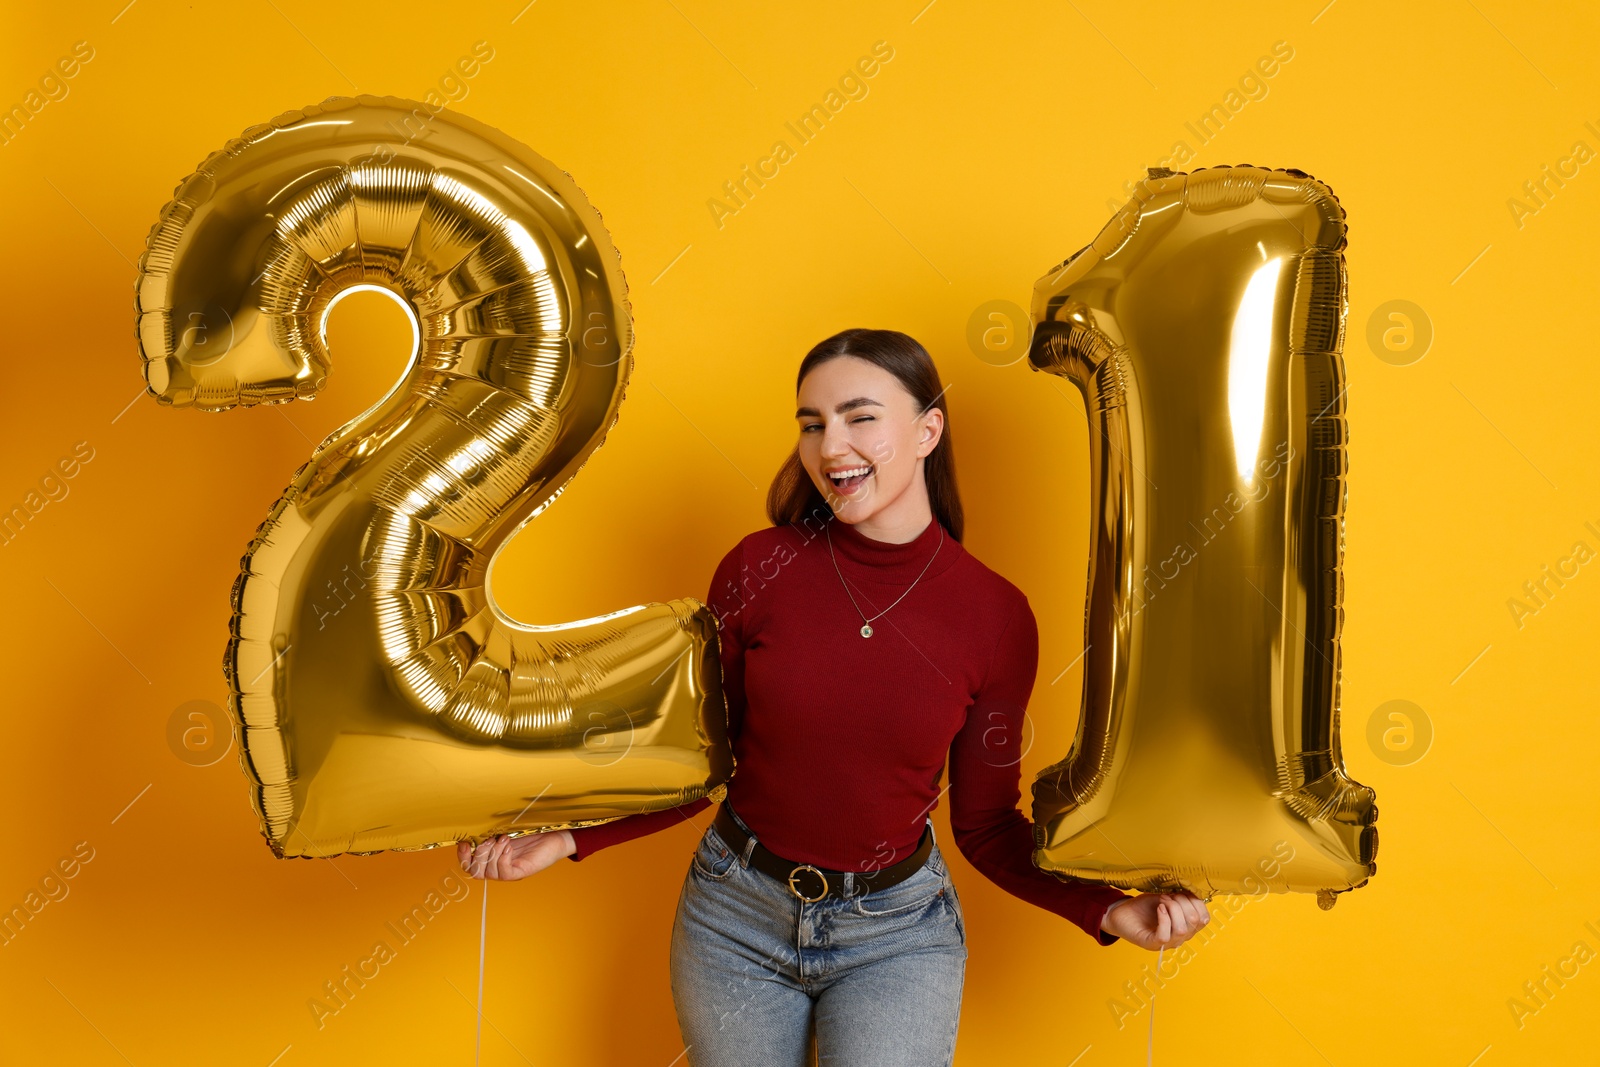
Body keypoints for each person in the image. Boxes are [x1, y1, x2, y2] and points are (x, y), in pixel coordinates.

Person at [460, 328, 1210, 1064]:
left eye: (859, 416)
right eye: (812, 424)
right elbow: (700, 765)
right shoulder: (759, 569)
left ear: (927, 430)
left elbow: (984, 827)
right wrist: (566, 837)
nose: (829, 446)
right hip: (733, 916)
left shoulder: (996, 616)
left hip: (896, 933)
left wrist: (1106, 908)